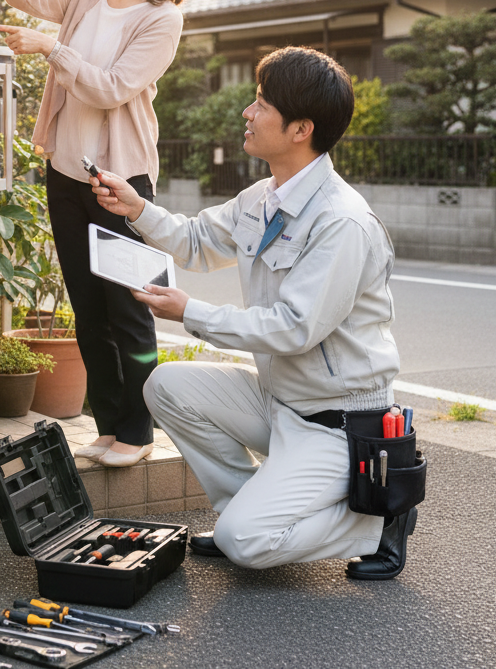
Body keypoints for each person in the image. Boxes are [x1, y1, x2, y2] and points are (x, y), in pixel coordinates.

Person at [92, 46, 416, 579]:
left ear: (299, 129)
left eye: (262, 103)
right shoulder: (263, 197)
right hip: (280, 401)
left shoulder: (342, 223)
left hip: (337, 424)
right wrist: (136, 208)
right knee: (166, 385)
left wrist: (188, 309)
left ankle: (378, 523)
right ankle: (248, 512)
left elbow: (293, 328)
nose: (248, 111)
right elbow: (197, 240)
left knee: (247, 542)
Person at [0, 0, 187, 467]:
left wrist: (53, 50)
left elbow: (111, 89)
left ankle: (139, 431)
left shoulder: (161, 19)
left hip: (122, 185)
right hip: (66, 175)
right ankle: (107, 425)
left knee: (128, 310)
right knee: (87, 307)